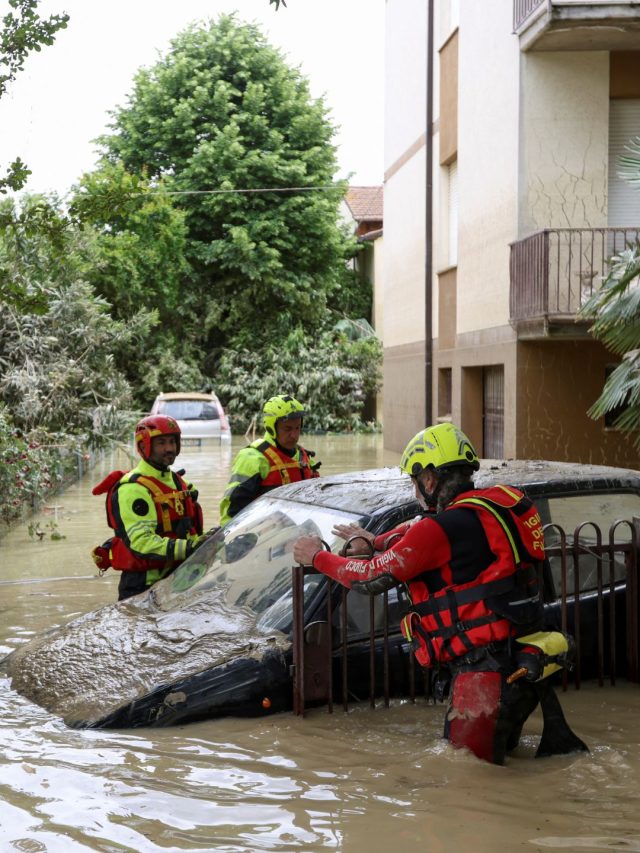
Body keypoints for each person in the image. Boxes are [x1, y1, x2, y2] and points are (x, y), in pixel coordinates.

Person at [293, 422, 588, 765]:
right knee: (499, 766)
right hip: (522, 661)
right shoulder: (494, 507)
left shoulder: (442, 529)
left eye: (414, 481)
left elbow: (370, 578)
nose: (415, 489)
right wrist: (372, 541)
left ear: (429, 479)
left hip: (483, 676)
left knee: (468, 782)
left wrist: (317, 556)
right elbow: (417, 529)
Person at [92, 415, 207, 601]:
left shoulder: (178, 482)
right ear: (144, 446)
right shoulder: (132, 488)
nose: (169, 448)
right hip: (142, 587)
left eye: (172, 441)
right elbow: (142, 542)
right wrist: (191, 547)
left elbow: (188, 531)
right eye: (161, 443)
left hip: (178, 580)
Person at [219, 394, 320, 526]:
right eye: (287, 429)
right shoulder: (253, 458)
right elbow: (231, 508)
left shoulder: (304, 457)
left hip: (299, 531)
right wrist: (231, 539)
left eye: (297, 428)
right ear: (271, 427)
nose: (294, 435)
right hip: (265, 535)